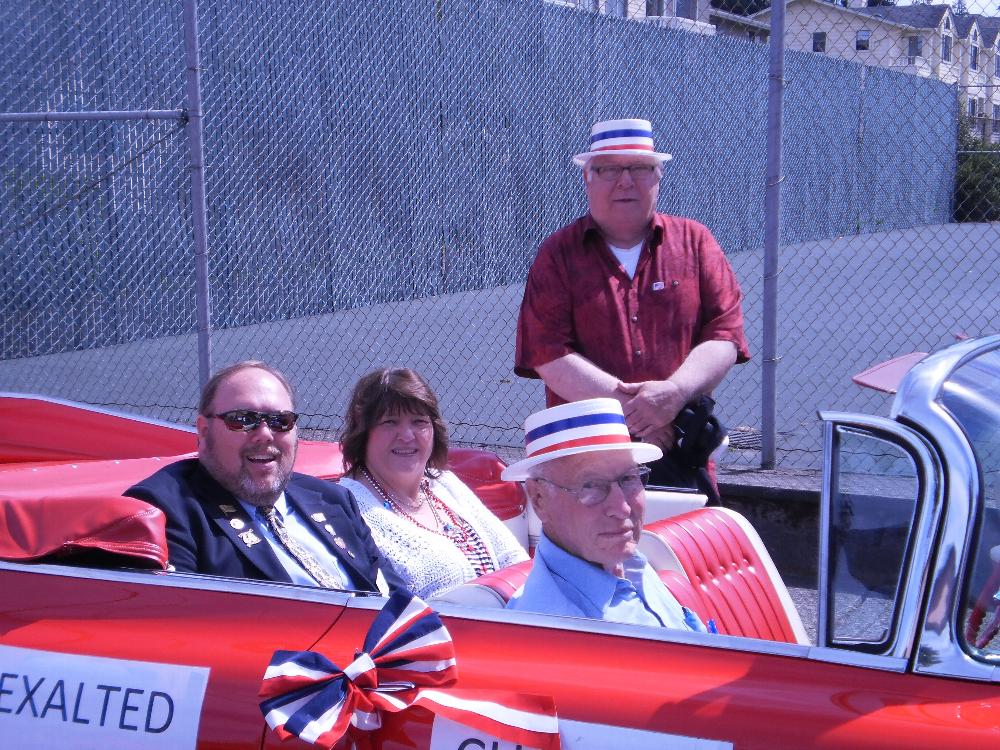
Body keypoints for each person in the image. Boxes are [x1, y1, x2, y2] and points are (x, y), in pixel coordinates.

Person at [514, 118, 750, 503]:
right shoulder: (557, 255)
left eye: (639, 168)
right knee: (594, 559)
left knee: (682, 557)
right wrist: (636, 412)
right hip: (589, 460)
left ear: (658, 176)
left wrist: (674, 393)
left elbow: (724, 335)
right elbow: (547, 353)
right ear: (588, 178)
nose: (625, 181)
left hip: (681, 450)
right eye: (608, 169)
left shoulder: (696, 242)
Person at [125, 361, 402, 594]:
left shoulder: (334, 500)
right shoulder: (165, 510)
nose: (265, 434)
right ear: (203, 431)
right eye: (243, 420)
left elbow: (400, 600)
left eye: (281, 421)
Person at [502, 397, 709, 631]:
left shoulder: (630, 564)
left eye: (629, 478)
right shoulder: (559, 631)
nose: (622, 509)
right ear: (539, 499)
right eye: (591, 485)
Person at [337, 368, 528, 599]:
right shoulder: (346, 506)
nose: (407, 435)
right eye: (389, 422)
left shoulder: (444, 484)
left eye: (419, 422)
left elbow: (515, 559)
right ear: (363, 432)